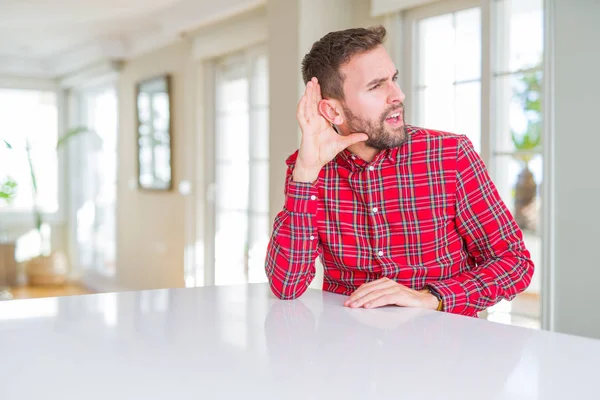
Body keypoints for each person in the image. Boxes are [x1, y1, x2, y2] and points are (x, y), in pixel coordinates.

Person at [264, 26, 534, 317]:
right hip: (349, 349)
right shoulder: (308, 169)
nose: (398, 95)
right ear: (332, 112)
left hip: (445, 349)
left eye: (393, 79)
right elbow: (286, 286)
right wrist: (305, 173)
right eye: (376, 86)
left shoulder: (449, 154)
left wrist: (431, 298)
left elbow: (514, 263)